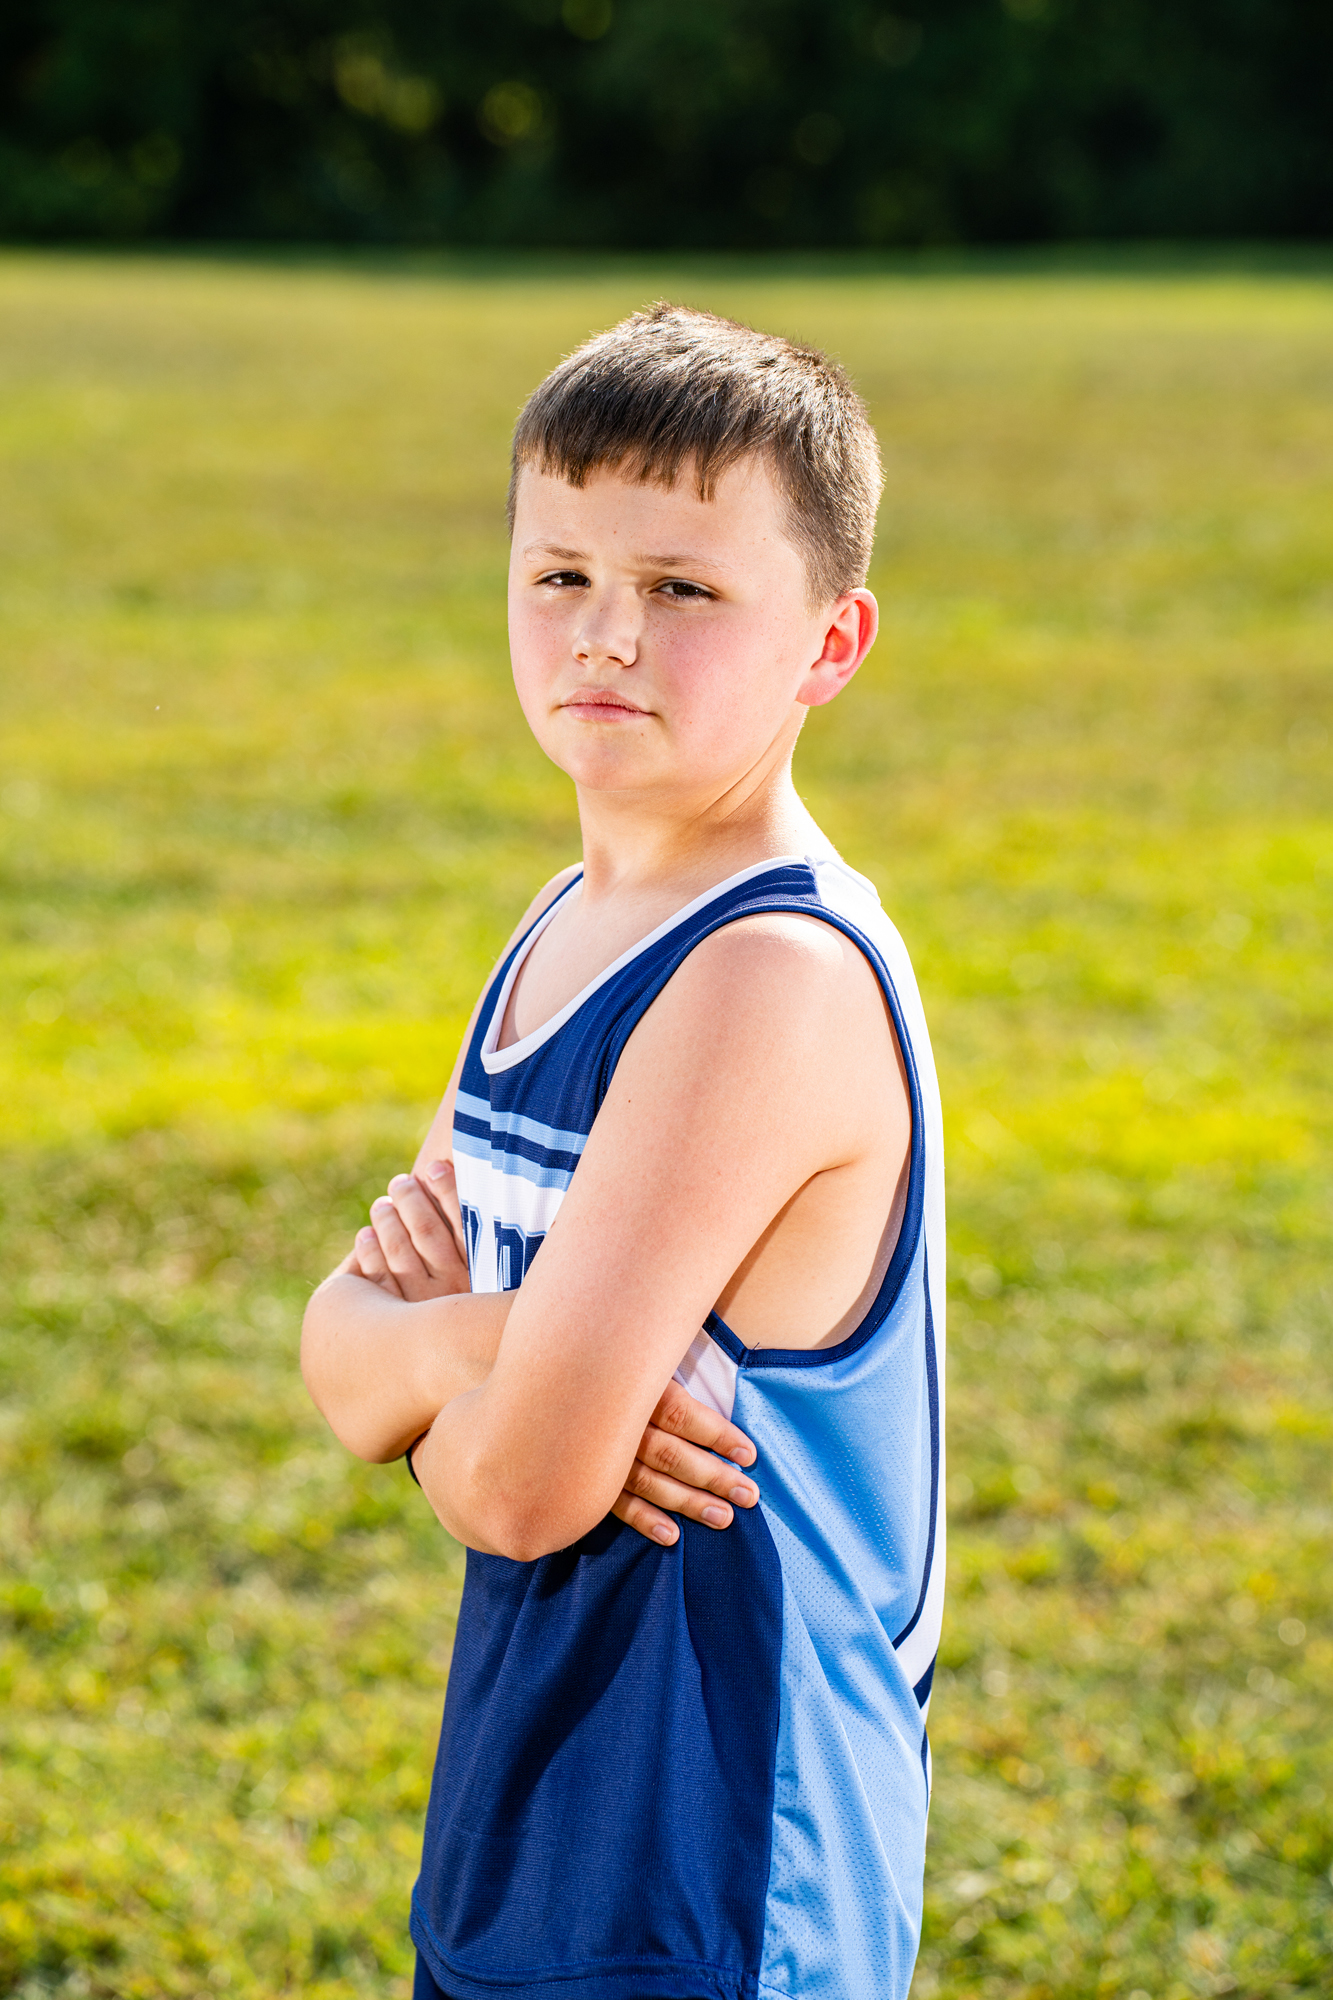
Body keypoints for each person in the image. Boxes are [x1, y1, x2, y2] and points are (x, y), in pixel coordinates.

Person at [301, 302, 946, 2000]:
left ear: (829, 643)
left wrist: (449, 1377)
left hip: (719, 1859)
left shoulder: (766, 977)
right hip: (533, 1809)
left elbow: (519, 1489)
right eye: (559, 574)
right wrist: (493, 1349)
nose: (604, 632)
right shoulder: (555, 928)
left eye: (681, 589)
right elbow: (341, 1358)